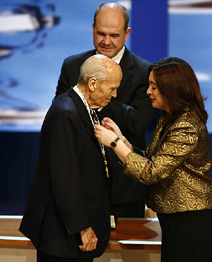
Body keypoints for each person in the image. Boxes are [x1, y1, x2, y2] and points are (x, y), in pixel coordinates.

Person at [94, 57, 212, 262]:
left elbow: (152, 172)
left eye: (153, 87)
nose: (148, 92)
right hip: (175, 220)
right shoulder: (169, 117)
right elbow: (152, 160)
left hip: (192, 223)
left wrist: (115, 143)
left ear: (171, 89)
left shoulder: (186, 125)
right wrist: (122, 139)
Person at [19, 54, 122, 262]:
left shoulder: (82, 107)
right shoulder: (66, 113)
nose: (115, 94)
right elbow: (64, 177)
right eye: (112, 88)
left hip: (71, 235)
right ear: (93, 83)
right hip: (64, 237)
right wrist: (82, 227)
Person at [55, 3, 153, 219]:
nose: (106, 41)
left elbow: (138, 122)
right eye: (100, 33)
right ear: (92, 28)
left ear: (127, 34)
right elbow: (60, 118)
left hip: (123, 189)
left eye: (114, 35)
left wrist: (101, 93)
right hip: (79, 182)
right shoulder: (72, 66)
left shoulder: (145, 72)